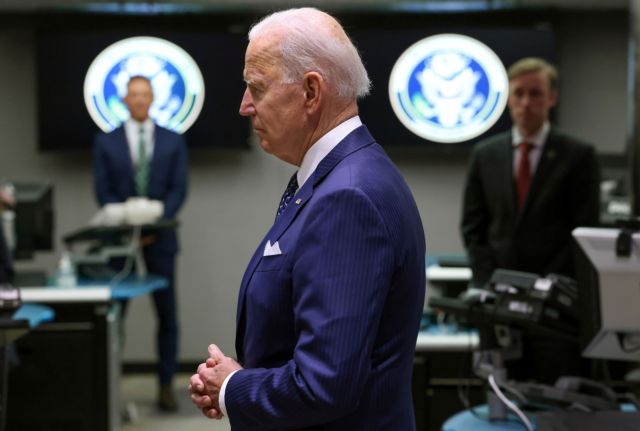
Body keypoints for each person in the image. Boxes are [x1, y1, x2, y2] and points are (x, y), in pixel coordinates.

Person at [189, 7, 426, 430]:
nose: (244, 106)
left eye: (256, 88)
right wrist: (240, 382)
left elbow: (324, 385)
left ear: (311, 92)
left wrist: (232, 387)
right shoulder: (341, 175)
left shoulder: (347, 197)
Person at [460, 57, 600, 383]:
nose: (526, 103)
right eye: (519, 93)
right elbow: (473, 228)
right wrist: (490, 282)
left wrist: (545, 289)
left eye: (535, 93)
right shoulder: (485, 155)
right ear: (508, 99)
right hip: (498, 306)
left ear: (552, 97)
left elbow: (584, 232)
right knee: (501, 399)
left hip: (556, 311)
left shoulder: (578, 156)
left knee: (556, 400)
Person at [93, 75, 188, 411]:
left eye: (144, 94)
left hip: (161, 238)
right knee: (114, 315)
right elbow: (103, 192)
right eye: (133, 95)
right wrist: (131, 225)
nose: (138, 100)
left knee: (167, 315)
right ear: (124, 99)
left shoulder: (173, 141)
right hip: (120, 241)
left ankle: (165, 386)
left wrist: (154, 224)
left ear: (152, 98)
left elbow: (178, 190)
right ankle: (109, 386)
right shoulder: (106, 142)